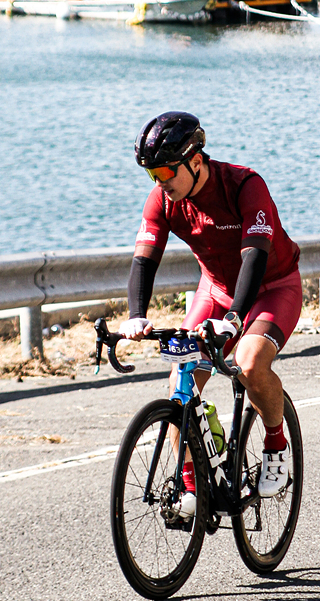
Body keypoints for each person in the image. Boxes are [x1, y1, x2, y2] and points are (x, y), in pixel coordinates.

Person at [119, 112, 302, 496]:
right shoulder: (163, 200)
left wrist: (235, 318)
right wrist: (136, 315)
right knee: (180, 385)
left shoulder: (244, 186)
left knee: (250, 363)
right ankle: (193, 487)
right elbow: (144, 260)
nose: (159, 182)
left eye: (165, 172)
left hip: (271, 287)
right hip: (216, 291)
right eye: (152, 174)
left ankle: (275, 445)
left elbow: (255, 254)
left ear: (196, 161)